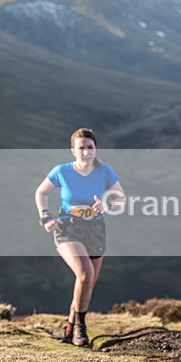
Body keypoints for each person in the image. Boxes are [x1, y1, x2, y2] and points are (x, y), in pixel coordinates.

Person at [34, 128, 124, 347]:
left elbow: (121, 199)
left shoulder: (105, 171)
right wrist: (46, 217)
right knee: (85, 274)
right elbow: (41, 192)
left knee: (87, 283)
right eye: (81, 148)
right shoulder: (62, 171)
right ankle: (80, 329)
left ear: (95, 149)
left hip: (95, 230)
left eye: (90, 147)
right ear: (72, 150)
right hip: (68, 228)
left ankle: (69, 328)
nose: (86, 152)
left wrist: (107, 204)